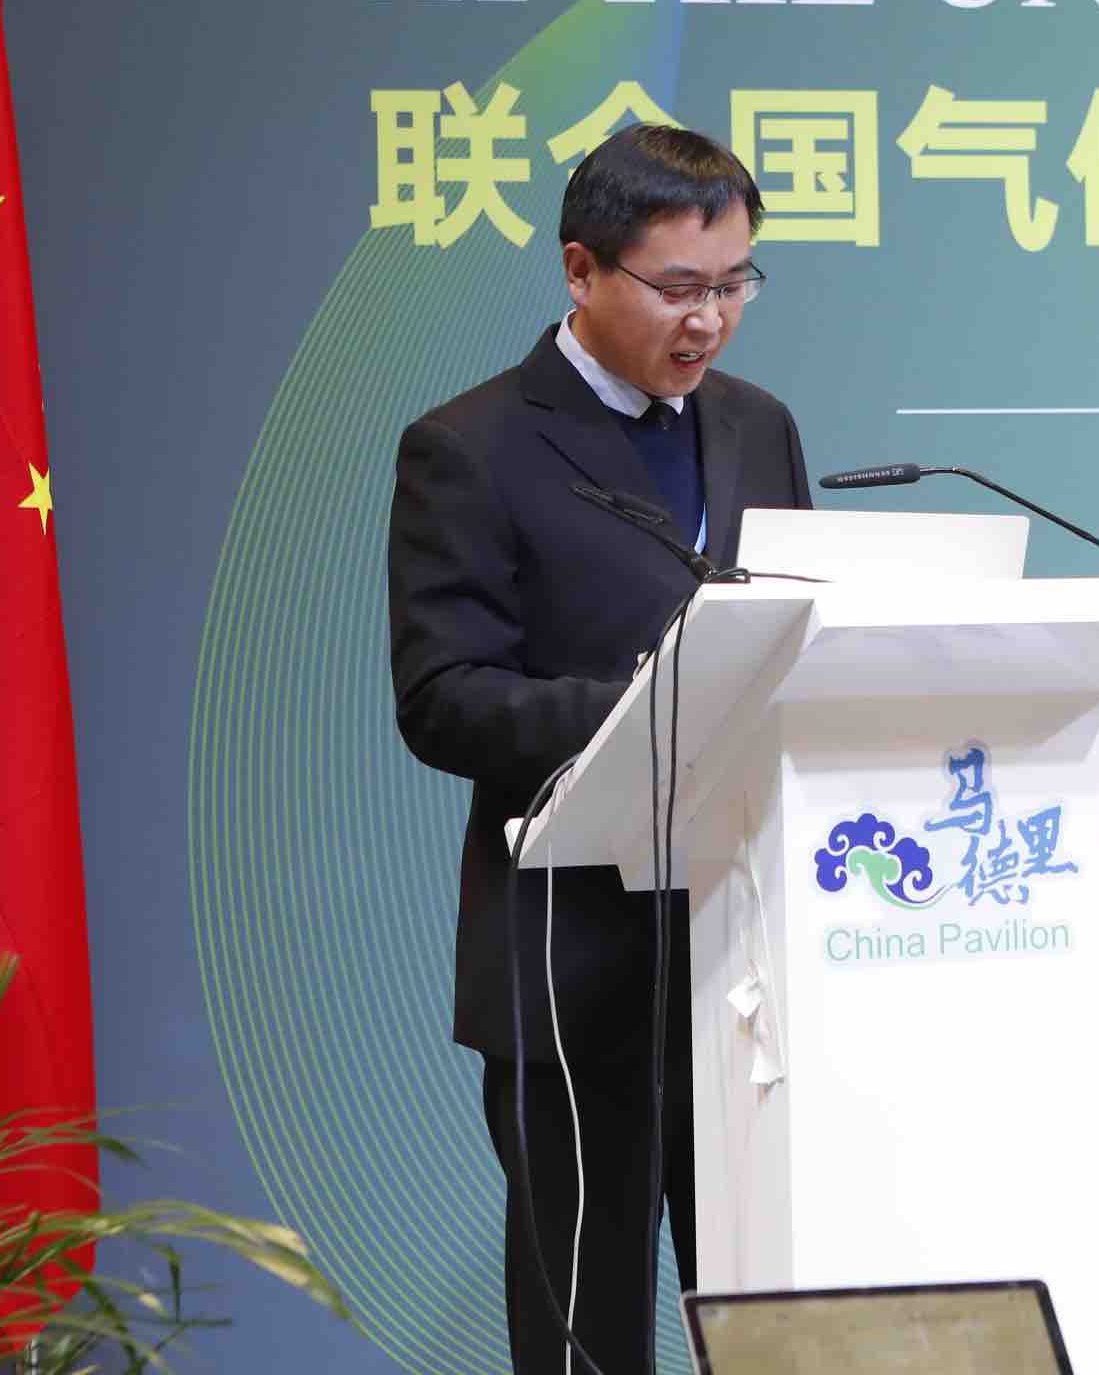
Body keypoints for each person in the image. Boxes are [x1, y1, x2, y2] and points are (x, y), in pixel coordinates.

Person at [387, 124, 812, 1375]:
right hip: (574, 973)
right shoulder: (472, 446)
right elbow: (444, 700)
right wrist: (652, 708)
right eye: (678, 288)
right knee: (589, 1340)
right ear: (581, 270)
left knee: (773, 1329)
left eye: (735, 283)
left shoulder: (759, 427)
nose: (710, 320)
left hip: (751, 970)